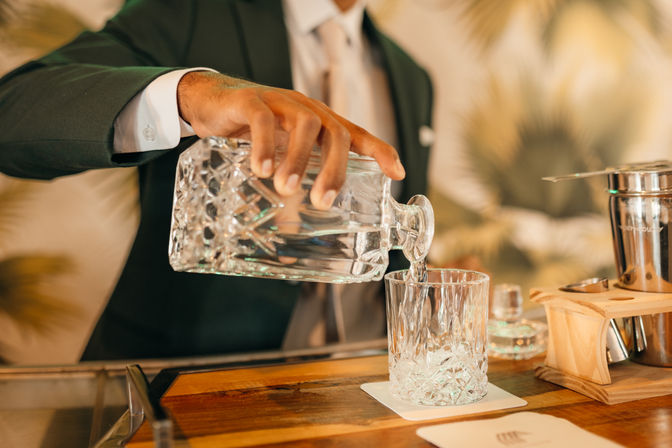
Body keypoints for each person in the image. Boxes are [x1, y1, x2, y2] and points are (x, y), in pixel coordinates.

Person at [0, 0, 433, 360]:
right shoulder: (192, 10)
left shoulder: (413, 77)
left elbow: (383, 235)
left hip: (366, 397)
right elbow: (13, 117)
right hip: (185, 391)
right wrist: (191, 94)